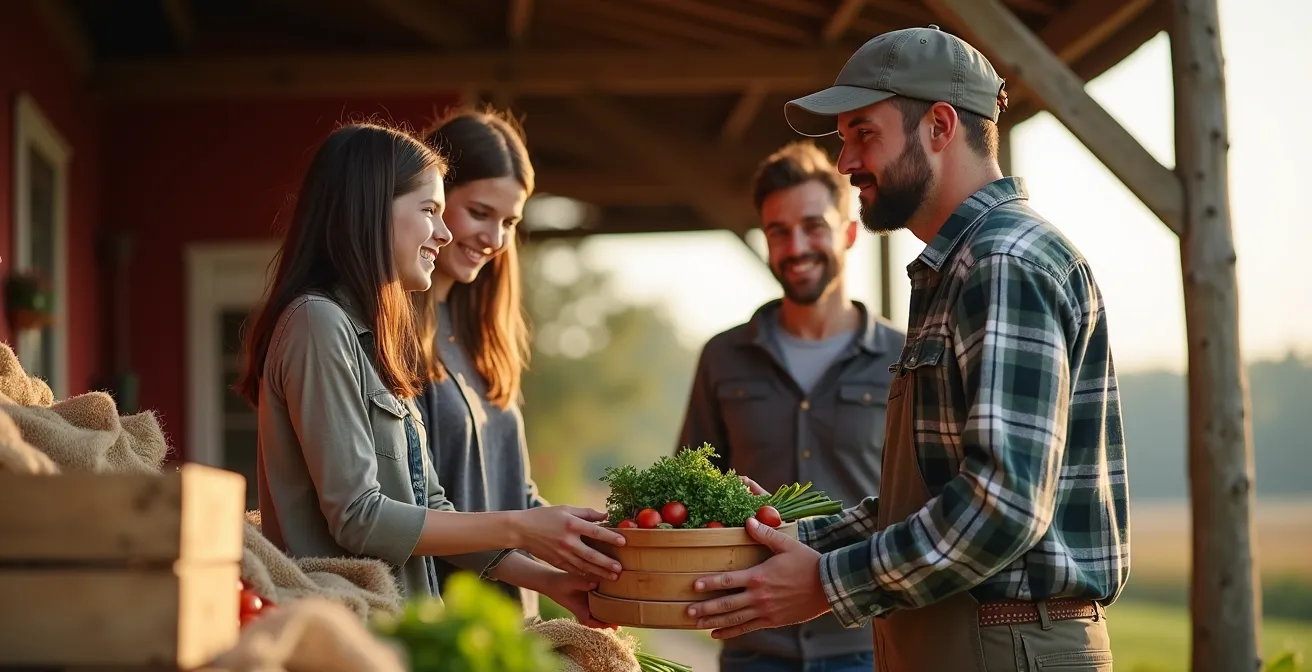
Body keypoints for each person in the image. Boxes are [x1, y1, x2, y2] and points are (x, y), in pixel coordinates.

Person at [684, 25, 1130, 671]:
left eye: (863, 133)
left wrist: (827, 582)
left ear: (940, 128)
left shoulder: (1002, 262)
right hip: (961, 636)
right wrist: (785, 540)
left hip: (1004, 644)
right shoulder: (957, 268)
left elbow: (1001, 507)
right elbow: (925, 501)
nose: (844, 162)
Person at [234, 122, 624, 623]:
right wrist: (523, 528)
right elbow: (359, 517)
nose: (444, 234)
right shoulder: (317, 322)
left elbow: (430, 501)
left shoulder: (371, 335)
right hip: (349, 638)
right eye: (430, 211)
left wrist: (552, 582)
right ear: (370, 209)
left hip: (403, 632)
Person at [676, 140, 904, 672]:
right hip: (754, 646)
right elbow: (690, 493)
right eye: (779, 232)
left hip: (872, 645)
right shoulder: (723, 356)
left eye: (813, 226)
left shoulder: (905, 356)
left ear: (849, 232)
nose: (796, 245)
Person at [410, 107, 550, 619]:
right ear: (433, 200)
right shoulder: (390, 333)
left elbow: (514, 488)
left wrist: (596, 534)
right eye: (479, 212)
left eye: (509, 222)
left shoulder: (483, 335)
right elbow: (412, 508)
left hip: (512, 621)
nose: (494, 240)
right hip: (442, 624)